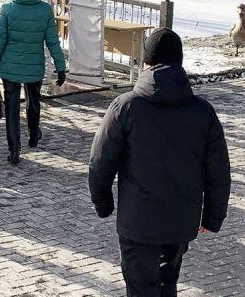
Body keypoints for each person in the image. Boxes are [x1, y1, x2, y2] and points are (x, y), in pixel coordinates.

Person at [89, 28, 231, 297]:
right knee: (167, 285)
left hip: (137, 223)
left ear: (146, 63)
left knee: (142, 289)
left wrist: (103, 204)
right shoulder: (203, 112)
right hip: (180, 224)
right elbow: (219, 171)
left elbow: (100, 162)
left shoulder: (126, 107)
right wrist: (213, 218)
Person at [0, 0, 66, 165]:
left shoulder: (7, 9)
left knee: (12, 108)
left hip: (10, 66)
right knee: (34, 102)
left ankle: (14, 149)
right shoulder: (44, 9)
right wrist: (60, 67)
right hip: (34, 65)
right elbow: (53, 42)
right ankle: (33, 135)